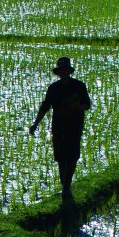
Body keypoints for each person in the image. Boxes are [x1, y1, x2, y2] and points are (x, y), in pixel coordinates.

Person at [29, 57, 91, 200]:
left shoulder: (79, 86)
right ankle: (64, 183)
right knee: (60, 156)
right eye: (61, 70)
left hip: (74, 126)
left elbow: (87, 105)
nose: (63, 72)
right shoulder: (53, 88)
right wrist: (35, 124)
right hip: (58, 126)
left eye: (65, 69)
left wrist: (76, 106)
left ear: (69, 71)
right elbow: (45, 107)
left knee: (73, 155)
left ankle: (67, 185)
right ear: (58, 72)